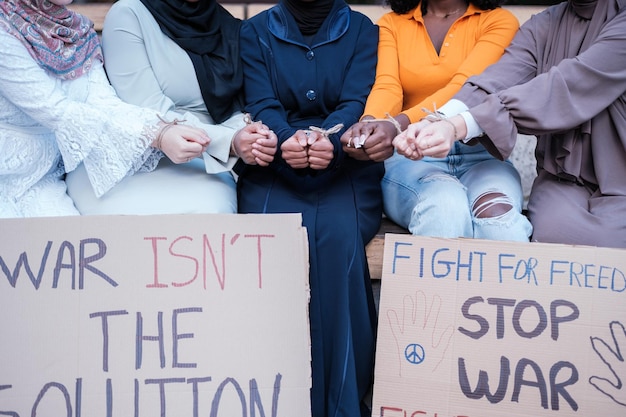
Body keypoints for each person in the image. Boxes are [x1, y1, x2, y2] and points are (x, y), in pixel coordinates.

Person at [237, 0, 380, 415]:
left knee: (339, 238)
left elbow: (356, 101)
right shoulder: (257, 30)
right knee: (274, 240)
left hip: (347, 164)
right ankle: (273, 397)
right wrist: (286, 140)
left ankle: (343, 401)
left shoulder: (361, 30)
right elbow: (261, 102)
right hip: (273, 164)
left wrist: (329, 141)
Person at [399, 0, 626, 248]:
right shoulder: (544, 23)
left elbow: (571, 84)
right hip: (564, 181)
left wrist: (460, 125)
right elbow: (498, 79)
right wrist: (441, 121)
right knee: (551, 237)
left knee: (608, 245)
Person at [0, 0, 212, 218]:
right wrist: (156, 136)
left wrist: (163, 129)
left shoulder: (75, 33)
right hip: (4, 175)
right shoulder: (4, 29)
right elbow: (55, 110)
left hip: (42, 180)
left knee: (65, 240)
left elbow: (104, 103)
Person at [341, 0, 532, 241]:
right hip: (411, 154)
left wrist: (398, 123)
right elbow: (388, 85)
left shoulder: (498, 22)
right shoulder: (392, 23)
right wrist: (371, 124)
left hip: (481, 155)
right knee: (444, 208)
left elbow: (466, 88)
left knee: (499, 222)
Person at [65, 0, 277, 215]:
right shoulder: (129, 14)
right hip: (132, 155)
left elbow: (234, 107)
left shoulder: (228, 27)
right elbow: (147, 109)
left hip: (206, 161)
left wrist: (251, 137)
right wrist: (230, 141)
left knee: (213, 211)